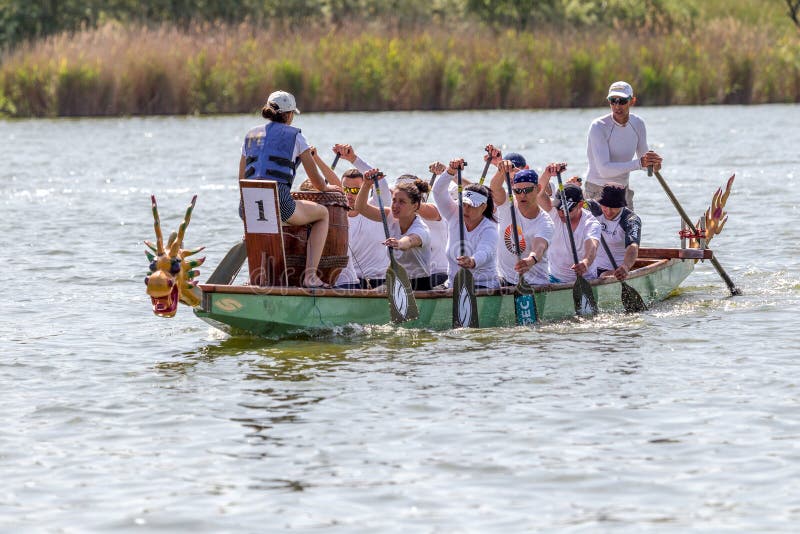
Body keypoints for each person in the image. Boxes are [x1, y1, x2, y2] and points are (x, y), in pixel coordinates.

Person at [239, 90, 339, 288]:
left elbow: (241, 178)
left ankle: (256, 278)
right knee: (322, 215)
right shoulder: (297, 137)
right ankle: (310, 276)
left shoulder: (250, 135)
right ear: (289, 114)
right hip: (280, 205)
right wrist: (329, 188)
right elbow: (318, 183)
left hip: (247, 207)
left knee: (265, 222)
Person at [317, 144, 392, 289]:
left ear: (366, 188)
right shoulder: (336, 215)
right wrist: (314, 158)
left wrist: (353, 159)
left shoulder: (376, 207)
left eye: (355, 190)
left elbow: (380, 182)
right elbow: (330, 183)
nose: (349, 194)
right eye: (346, 189)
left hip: (379, 281)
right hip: (351, 282)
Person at [585, 80, 663, 211]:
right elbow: (604, 170)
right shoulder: (598, 126)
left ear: (632, 101)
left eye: (622, 101)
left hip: (623, 193)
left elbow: (645, 166)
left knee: (632, 230)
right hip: (597, 191)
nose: (617, 106)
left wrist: (654, 166)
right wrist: (640, 163)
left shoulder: (638, 123)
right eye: (612, 100)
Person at [355, 170, 433, 290]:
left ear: (415, 205)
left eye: (401, 202)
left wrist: (398, 243)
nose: (395, 205)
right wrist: (366, 185)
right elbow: (361, 208)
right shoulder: (390, 215)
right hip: (395, 281)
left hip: (419, 285)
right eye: (394, 200)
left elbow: (409, 241)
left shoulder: (421, 229)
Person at [487, 151, 554, 286]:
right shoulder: (507, 204)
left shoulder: (545, 221)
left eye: (528, 190)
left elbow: (539, 247)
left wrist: (530, 260)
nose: (522, 195)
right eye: (518, 191)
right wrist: (501, 170)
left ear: (538, 188)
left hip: (534, 283)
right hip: (504, 279)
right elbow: (494, 188)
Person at [431, 159, 499, 289]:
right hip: (453, 284)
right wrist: (450, 172)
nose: (466, 209)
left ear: (483, 207)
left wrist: (472, 261)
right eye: (464, 204)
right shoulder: (454, 213)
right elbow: (438, 192)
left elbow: (485, 251)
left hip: (482, 285)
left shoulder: (489, 229)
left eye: (472, 206)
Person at [538, 165, 601, 284]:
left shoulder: (590, 223)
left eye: (568, 210)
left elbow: (592, 245)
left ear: (581, 205)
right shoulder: (553, 210)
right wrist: (547, 173)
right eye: (559, 209)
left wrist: (586, 262)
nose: (562, 213)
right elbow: (538, 193)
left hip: (585, 280)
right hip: (554, 278)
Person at [586, 183, 642, 281]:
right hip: (590, 266)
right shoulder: (593, 208)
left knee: (605, 277)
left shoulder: (631, 220)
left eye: (613, 207)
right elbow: (572, 203)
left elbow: (633, 246)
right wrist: (571, 188)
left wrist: (625, 266)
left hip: (614, 270)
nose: (608, 211)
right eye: (605, 206)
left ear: (622, 205)